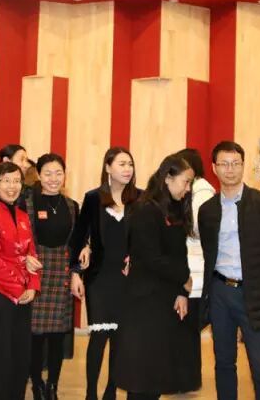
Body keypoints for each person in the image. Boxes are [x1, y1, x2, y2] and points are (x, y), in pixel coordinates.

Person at [198, 141, 260, 400]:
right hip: (220, 291)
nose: (230, 169)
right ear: (214, 168)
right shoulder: (207, 210)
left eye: (235, 163)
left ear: (243, 166)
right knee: (224, 361)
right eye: (224, 164)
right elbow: (208, 251)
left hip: (256, 292)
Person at [114, 154, 195, 399]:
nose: (188, 188)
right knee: (141, 377)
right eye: (186, 182)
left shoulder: (175, 208)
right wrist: (184, 278)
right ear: (168, 178)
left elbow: (179, 254)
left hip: (165, 300)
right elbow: (151, 258)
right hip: (144, 302)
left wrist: (181, 291)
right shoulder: (145, 210)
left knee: (156, 375)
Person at [69, 147, 141, 400]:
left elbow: (146, 237)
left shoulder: (140, 199)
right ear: (108, 167)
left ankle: (111, 391)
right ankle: (91, 393)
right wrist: (75, 272)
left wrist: (137, 256)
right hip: (99, 278)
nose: (127, 169)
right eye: (121, 164)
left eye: (130, 164)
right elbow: (78, 237)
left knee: (120, 339)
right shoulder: (93, 198)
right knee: (99, 336)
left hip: (128, 279)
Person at [0, 161, 42, 400]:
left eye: (16, 181)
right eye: (5, 181)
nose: (12, 186)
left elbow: (32, 254)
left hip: (24, 296)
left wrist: (33, 286)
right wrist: (19, 288)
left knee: (20, 358)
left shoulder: (24, 216)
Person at [25, 153, 80, 400]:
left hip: (62, 272)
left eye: (58, 173)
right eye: (47, 173)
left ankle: (53, 386)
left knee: (58, 336)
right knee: (35, 336)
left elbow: (77, 242)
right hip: (35, 271)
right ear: (38, 175)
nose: (53, 178)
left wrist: (77, 270)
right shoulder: (28, 203)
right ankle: (37, 384)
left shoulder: (72, 206)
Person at [175, 148, 216, 392]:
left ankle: (187, 380)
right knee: (186, 331)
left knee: (187, 330)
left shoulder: (201, 192)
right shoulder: (198, 190)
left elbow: (201, 229)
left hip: (196, 270)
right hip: (192, 269)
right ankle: (185, 379)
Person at [0, 144, 32, 209]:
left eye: (26, 160)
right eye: (22, 159)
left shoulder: (29, 192)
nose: (27, 165)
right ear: (6, 161)